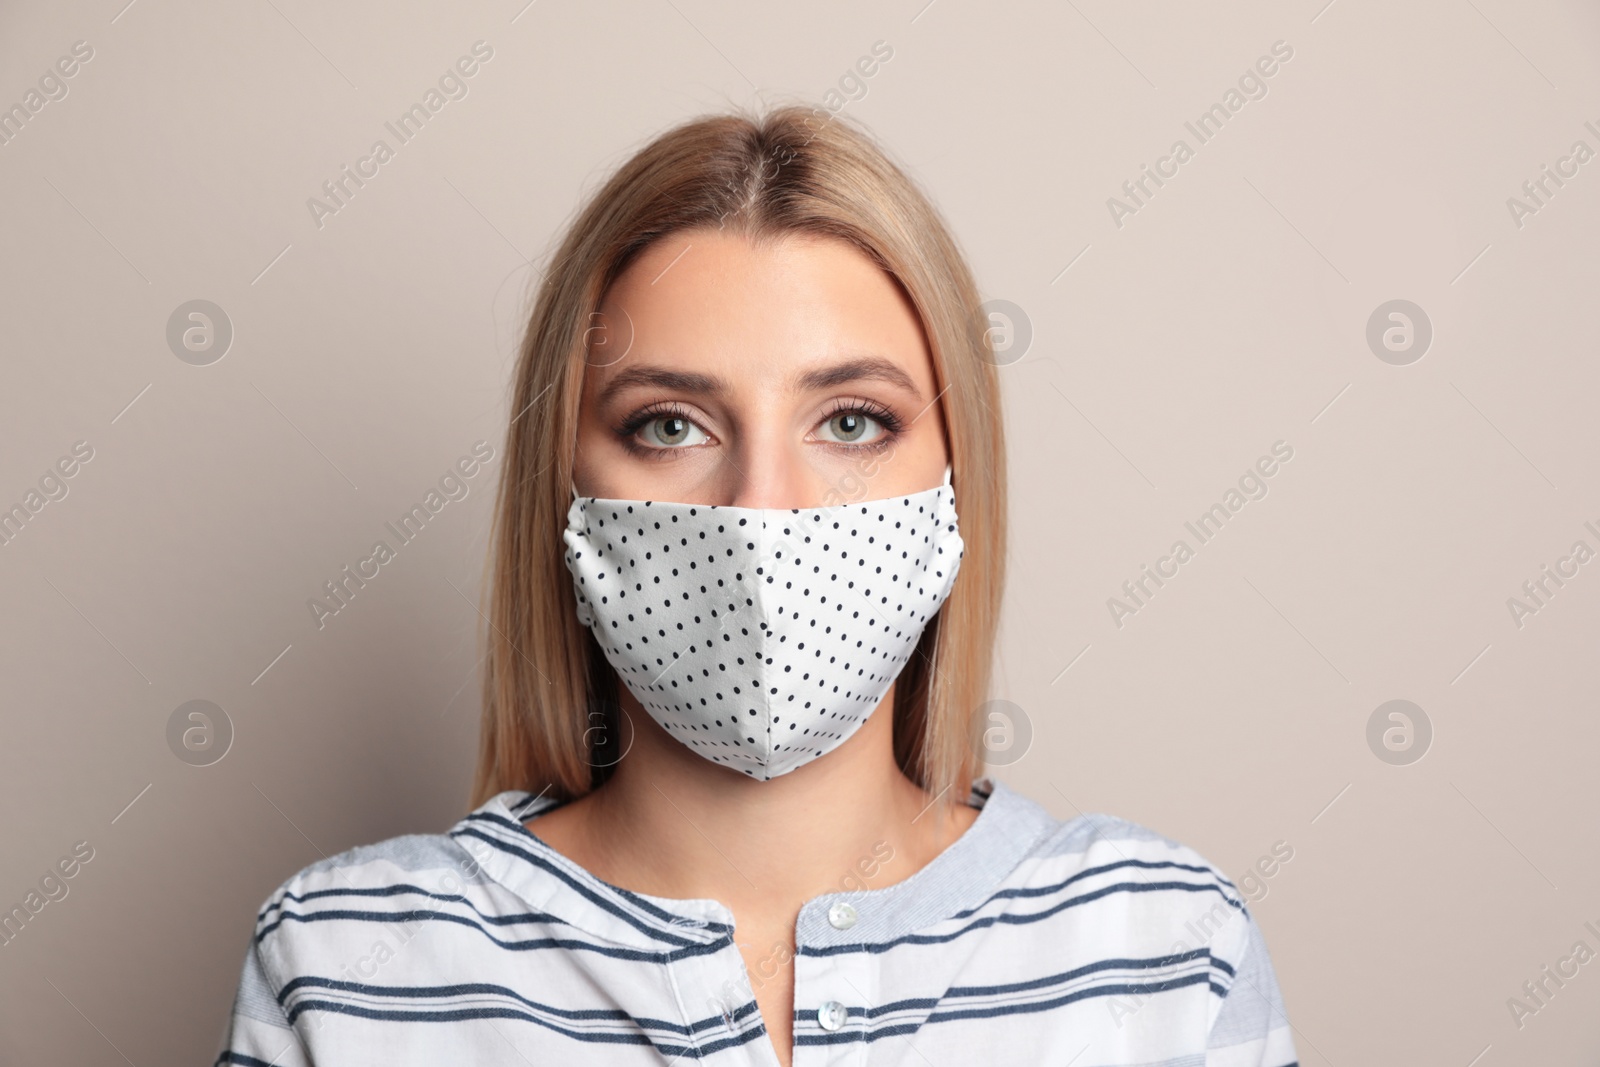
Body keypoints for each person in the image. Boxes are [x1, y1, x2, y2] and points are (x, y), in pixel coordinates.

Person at [216, 104, 1297, 1066]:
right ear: (565, 487)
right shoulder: (346, 964)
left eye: (852, 421)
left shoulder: (1163, 950)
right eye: (669, 425)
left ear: (956, 477)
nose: (762, 510)